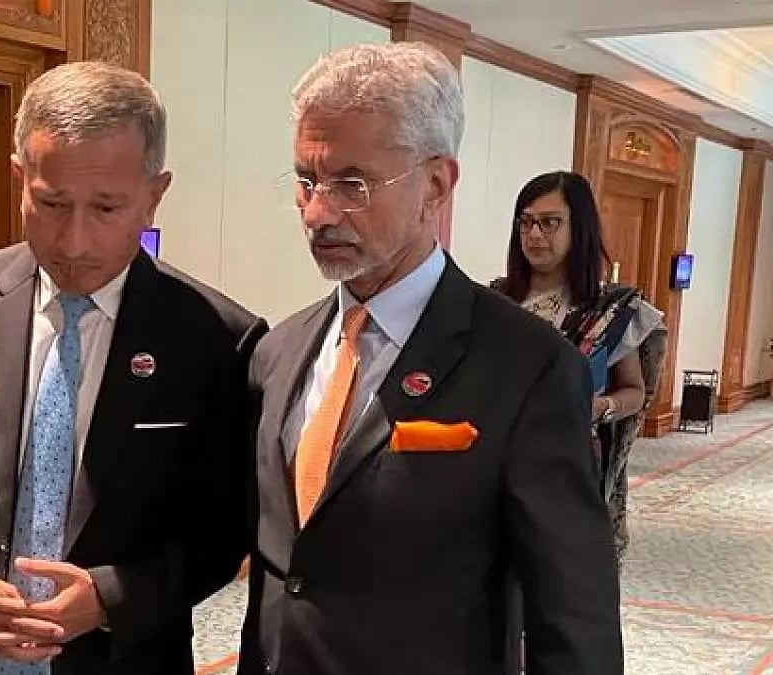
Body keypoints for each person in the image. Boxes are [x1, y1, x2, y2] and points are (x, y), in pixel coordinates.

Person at [237, 42, 623, 675]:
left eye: (351, 184)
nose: (318, 213)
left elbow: (573, 608)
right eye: (307, 183)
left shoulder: (528, 366)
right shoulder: (278, 351)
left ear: (436, 184)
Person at [0, 60, 267, 675]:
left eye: (108, 209)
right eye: (52, 203)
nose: (75, 242)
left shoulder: (217, 338)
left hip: (121, 658)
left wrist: (108, 597)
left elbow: (223, 531)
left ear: (155, 193)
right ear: (19, 178)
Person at [492, 170, 665, 562]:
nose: (535, 235)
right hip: (495, 475)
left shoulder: (609, 312)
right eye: (526, 222)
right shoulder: (494, 302)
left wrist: (600, 408)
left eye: (550, 222)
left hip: (568, 476)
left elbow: (634, 392)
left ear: (579, 227)